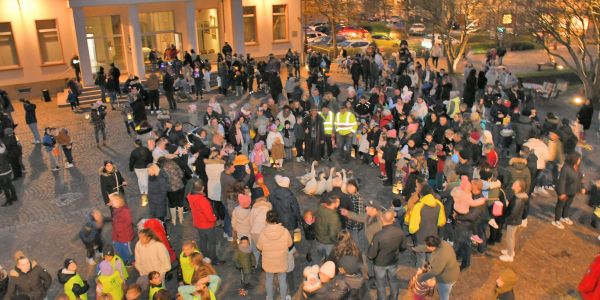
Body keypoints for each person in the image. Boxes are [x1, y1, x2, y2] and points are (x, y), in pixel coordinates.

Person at [367, 210, 407, 300]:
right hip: (393, 261)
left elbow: (371, 255)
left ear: (381, 219)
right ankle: (394, 297)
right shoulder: (400, 232)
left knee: (380, 283)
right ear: (393, 219)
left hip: (380, 263)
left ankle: (382, 298)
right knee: (393, 280)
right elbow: (403, 247)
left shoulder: (378, 235)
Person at [257, 210, 293, 300]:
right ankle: (283, 297)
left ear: (267, 220)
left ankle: (270, 297)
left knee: (269, 280)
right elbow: (290, 244)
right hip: (281, 261)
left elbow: (259, 246)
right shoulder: (285, 231)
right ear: (278, 219)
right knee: (282, 280)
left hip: (268, 262)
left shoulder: (263, 232)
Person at [188, 179, 221, 264]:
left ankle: (205, 256)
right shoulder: (203, 201)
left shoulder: (190, 196)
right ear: (202, 188)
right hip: (207, 225)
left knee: (202, 240)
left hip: (198, 223)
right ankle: (213, 259)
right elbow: (210, 217)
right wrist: (215, 218)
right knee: (212, 242)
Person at [499, 180, 529, 262]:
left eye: (515, 184)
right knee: (511, 237)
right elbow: (526, 211)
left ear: (519, 188)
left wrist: (505, 218)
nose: (513, 184)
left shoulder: (517, 200)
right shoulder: (523, 197)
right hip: (516, 220)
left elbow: (512, 213)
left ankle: (510, 255)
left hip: (513, 221)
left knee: (510, 238)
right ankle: (510, 250)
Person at [553, 152, 584, 229]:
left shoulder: (578, 168)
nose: (580, 160)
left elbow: (580, 179)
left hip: (572, 191)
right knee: (560, 206)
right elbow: (562, 181)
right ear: (574, 159)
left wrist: (581, 188)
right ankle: (557, 220)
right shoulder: (566, 168)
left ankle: (565, 216)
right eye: (578, 159)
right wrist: (561, 193)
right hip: (565, 191)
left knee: (568, 205)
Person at [314, 194, 342, 261]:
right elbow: (332, 234)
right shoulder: (333, 216)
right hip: (328, 242)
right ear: (335, 203)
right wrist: (337, 242)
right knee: (329, 256)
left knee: (320, 252)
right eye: (339, 201)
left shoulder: (320, 207)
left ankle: (321, 259)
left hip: (319, 237)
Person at [109, 194, 135, 264]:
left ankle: (131, 261)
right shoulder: (115, 210)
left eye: (112, 201)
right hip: (117, 237)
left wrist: (119, 228)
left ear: (118, 201)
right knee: (119, 250)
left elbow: (128, 222)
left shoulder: (125, 210)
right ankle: (124, 261)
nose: (111, 203)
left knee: (127, 251)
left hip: (125, 236)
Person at [129, 139, 153, 206]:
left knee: (140, 179)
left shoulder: (134, 152)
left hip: (138, 168)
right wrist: (150, 164)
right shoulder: (146, 149)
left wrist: (131, 168)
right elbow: (150, 158)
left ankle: (143, 193)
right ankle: (146, 193)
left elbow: (131, 161)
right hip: (146, 167)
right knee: (145, 180)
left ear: (136, 144)